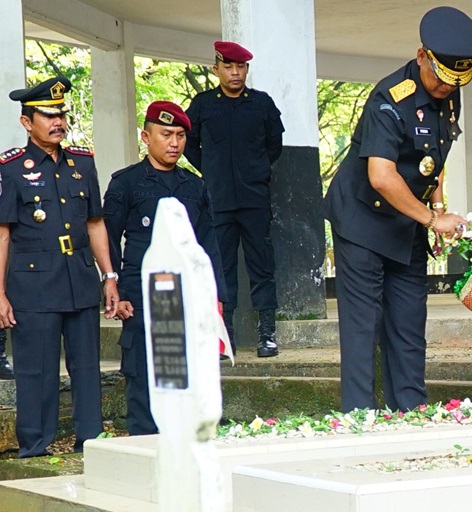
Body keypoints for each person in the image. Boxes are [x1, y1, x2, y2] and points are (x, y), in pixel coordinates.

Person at [322, 6, 472, 412]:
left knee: (409, 324)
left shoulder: (450, 93)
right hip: (362, 221)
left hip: (405, 221)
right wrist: (431, 218)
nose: (446, 88)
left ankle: (412, 413)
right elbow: (381, 176)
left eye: (456, 81)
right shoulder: (388, 99)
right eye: (440, 77)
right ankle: (359, 419)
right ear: (421, 57)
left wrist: (436, 206)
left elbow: (434, 156)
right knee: (363, 329)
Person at [0, 77, 119, 457]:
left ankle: (91, 443)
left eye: (62, 114)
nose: (59, 122)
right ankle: (35, 447)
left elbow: (95, 222)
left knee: (87, 368)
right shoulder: (11, 168)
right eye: (48, 115)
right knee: (37, 371)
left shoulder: (82, 163)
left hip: (80, 278)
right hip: (33, 284)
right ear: (26, 121)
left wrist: (110, 276)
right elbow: (2, 234)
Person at [103, 101, 226, 435]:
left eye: (181, 135)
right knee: (142, 374)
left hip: (188, 297)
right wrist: (115, 290)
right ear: (146, 136)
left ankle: (188, 439)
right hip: (140, 295)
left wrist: (216, 298)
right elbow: (108, 240)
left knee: (192, 373)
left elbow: (208, 245)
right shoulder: (126, 183)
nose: (174, 143)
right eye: (166, 134)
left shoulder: (195, 186)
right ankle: (143, 443)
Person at [184, 41, 284, 358]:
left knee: (262, 267)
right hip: (218, 200)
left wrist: (255, 172)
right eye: (228, 67)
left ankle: (267, 334)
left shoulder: (261, 104)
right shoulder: (202, 105)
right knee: (221, 268)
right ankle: (224, 337)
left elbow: (274, 145)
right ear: (216, 69)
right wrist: (211, 172)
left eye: (240, 67)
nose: (235, 72)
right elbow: (189, 144)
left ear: (246, 70)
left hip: (254, 198)